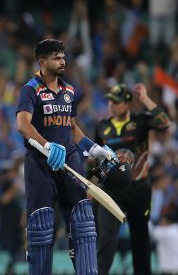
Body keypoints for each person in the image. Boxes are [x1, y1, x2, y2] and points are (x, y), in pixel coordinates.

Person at [16, 39, 115, 275]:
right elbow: (22, 125)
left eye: (63, 57)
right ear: (42, 61)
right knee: (41, 227)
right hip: (41, 163)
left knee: (83, 224)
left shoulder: (69, 90)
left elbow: (71, 127)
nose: (62, 61)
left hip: (70, 161)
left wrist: (93, 149)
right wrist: (47, 146)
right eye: (56, 58)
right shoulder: (31, 89)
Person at [93, 83, 171, 275]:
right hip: (111, 189)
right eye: (110, 100)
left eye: (116, 101)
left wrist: (144, 98)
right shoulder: (102, 127)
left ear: (128, 103)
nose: (112, 105)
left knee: (140, 238)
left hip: (138, 188)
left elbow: (164, 122)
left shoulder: (141, 121)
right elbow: (95, 159)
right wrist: (94, 183)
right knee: (106, 239)